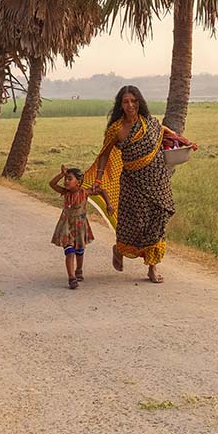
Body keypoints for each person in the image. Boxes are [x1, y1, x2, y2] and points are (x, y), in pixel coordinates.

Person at [87, 85, 197, 284]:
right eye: (126, 101)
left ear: (140, 102)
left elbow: (164, 131)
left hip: (158, 181)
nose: (131, 105)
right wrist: (97, 179)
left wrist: (182, 140)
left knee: (158, 220)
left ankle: (152, 267)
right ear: (120, 105)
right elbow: (104, 155)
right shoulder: (116, 129)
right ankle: (119, 249)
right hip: (133, 183)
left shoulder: (150, 123)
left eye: (134, 101)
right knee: (135, 224)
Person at [50, 166, 111, 289]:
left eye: (69, 179)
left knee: (79, 250)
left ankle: (79, 269)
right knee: (69, 251)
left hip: (80, 226)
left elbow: (102, 191)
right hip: (66, 225)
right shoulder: (65, 192)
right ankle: (71, 277)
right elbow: (52, 184)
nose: (66, 181)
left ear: (78, 182)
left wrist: (108, 205)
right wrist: (61, 174)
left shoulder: (85, 193)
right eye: (65, 179)